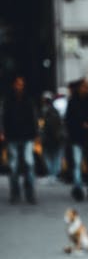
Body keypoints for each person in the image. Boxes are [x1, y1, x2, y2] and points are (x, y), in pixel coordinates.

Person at [2, 75, 38, 204]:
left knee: (29, 163)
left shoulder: (28, 100)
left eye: (21, 84)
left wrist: (35, 133)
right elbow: (3, 116)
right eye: (17, 84)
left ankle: (30, 193)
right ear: (13, 85)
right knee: (13, 166)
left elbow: (33, 117)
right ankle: (15, 193)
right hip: (12, 136)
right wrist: (3, 132)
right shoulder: (8, 100)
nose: (19, 86)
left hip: (27, 136)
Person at [65, 78, 88, 201]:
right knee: (77, 164)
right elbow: (68, 120)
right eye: (84, 86)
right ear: (79, 87)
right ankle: (78, 188)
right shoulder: (72, 101)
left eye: (87, 86)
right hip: (77, 138)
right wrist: (81, 124)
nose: (86, 89)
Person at [40, 91, 65, 183]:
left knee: (50, 156)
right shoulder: (54, 110)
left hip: (51, 138)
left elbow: (49, 126)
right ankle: (53, 175)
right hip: (56, 138)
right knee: (56, 157)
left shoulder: (47, 111)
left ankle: (52, 175)